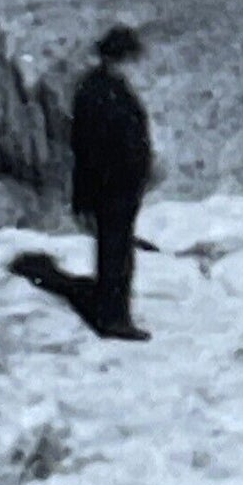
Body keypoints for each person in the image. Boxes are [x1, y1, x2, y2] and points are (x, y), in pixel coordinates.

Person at [70, 24, 154, 339]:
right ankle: (113, 318)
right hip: (111, 185)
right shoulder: (101, 92)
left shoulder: (100, 88)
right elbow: (88, 146)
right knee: (115, 252)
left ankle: (114, 312)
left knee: (116, 250)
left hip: (118, 185)